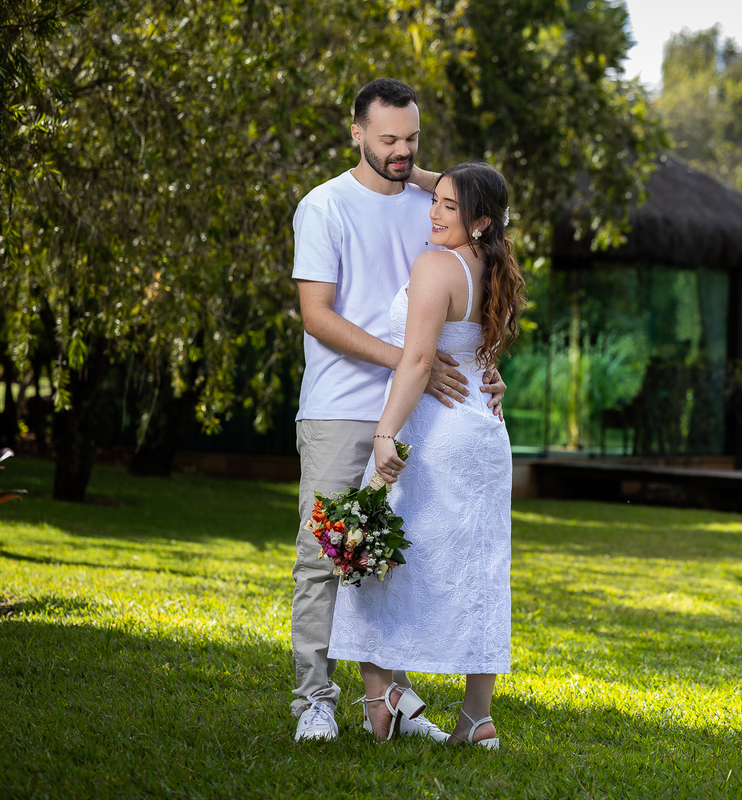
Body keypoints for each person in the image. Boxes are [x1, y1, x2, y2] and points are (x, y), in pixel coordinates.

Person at [290, 79, 507, 742]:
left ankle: (391, 701)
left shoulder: (431, 205)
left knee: (397, 562)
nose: (402, 151)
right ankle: (315, 700)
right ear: (356, 133)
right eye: (388, 139)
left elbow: (484, 210)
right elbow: (316, 314)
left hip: (423, 414)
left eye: (412, 139)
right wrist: (412, 361)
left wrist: (478, 366)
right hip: (343, 405)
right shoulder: (324, 206)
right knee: (329, 554)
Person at [327, 162, 524, 748]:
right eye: (433, 200)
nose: (434, 213)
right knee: (481, 571)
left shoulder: (437, 265)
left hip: (435, 433)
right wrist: (413, 172)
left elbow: (416, 361)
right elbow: (479, 351)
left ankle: (380, 695)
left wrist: (385, 434)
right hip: (485, 433)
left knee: (374, 548)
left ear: (480, 220)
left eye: (448, 206)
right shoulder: (493, 264)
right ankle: (476, 719)